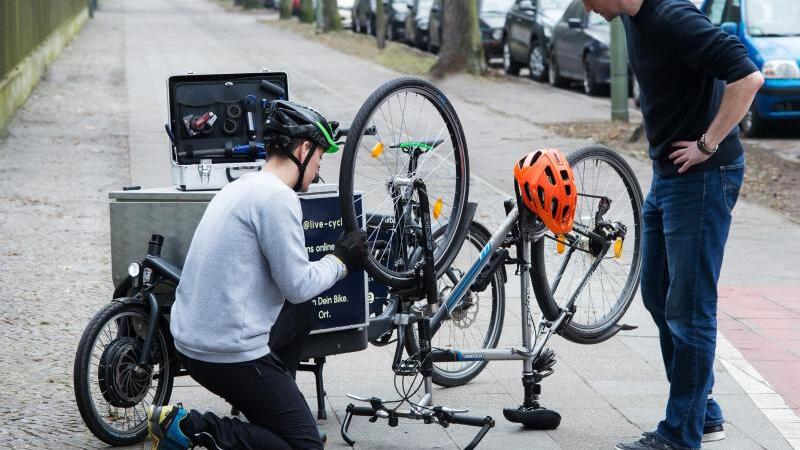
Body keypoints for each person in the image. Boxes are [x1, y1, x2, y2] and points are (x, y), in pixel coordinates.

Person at [579, 1, 764, 449]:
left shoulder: (674, 19)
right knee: (658, 294)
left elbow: (748, 77)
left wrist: (707, 142)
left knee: (689, 309)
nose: (585, 6)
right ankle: (704, 413)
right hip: (668, 177)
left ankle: (680, 434)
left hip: (703, 177)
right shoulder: (633, 17)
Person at [146, 101, 368, 450]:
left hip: (191, 340)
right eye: (320, 159)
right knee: (305, 446)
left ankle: (278, 409)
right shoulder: (277, 198)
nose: (318, 172)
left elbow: (293, 298)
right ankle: (191, 428)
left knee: (301, 314)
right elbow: (298, 285)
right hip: (226, 353)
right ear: (304, 149)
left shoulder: (242, 187)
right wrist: (341, 259)